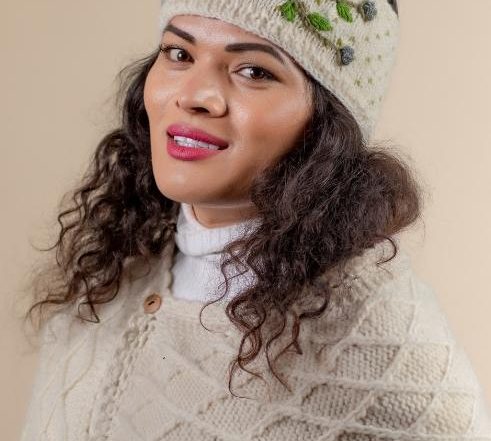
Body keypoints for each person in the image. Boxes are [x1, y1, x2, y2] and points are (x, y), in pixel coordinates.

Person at [18, 0, 491, 440]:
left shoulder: (387, 349)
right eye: (179, 54)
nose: (194, 95)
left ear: (327, 125)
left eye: (253, 71)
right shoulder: (110, 280)